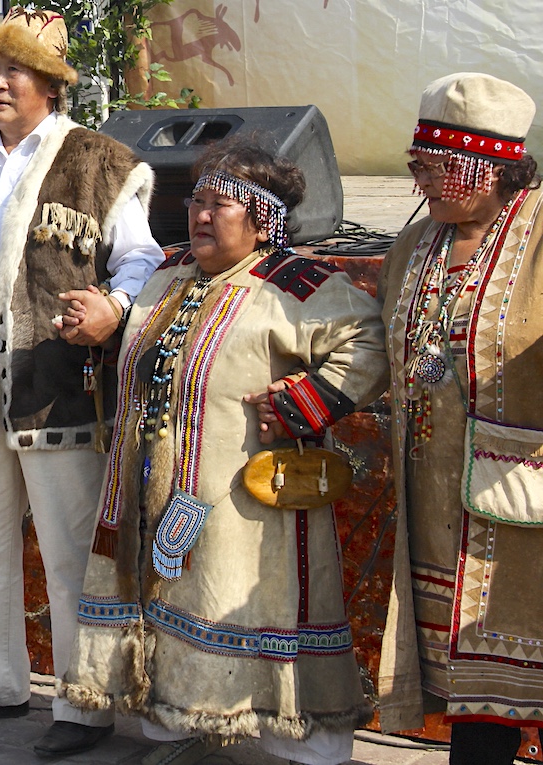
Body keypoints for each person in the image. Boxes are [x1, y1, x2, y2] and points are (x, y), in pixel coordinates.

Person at [62, 135, 387, 765]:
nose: (201, 215)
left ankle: (309, 749)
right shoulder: (168, 272)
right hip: (156, 484)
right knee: (172, 598)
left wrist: (309, 400)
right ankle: (180, 723)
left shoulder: (294, 283)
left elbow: (367, 338)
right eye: (195, 203)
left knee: (251, 601)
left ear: (263, 220)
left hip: (246, 497)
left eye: (221, 205)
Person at [0, 6, 164, 755]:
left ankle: (82, 703)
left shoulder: (102, 160)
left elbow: (139, 260)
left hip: (56, 386)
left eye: (14, 69)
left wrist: (114, 307)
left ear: (50, 84)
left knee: (68, 552)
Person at [377, 72, 543, 765]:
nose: (422, 181)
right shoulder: (415, 246)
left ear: (487, 167)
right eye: (418, 166)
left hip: (524, 504)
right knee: (465, 680)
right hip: (435, 499)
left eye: (437, 167)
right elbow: (371, 341)